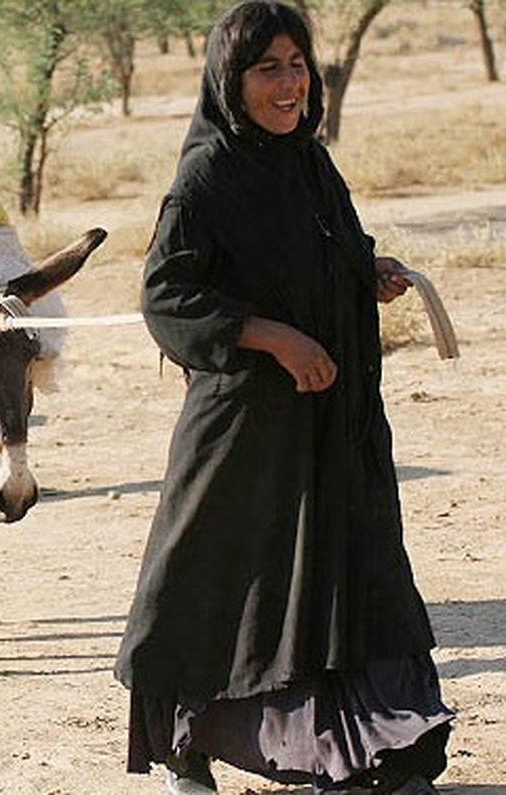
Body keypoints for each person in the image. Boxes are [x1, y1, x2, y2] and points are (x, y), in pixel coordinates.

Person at [114, 4, 453, 794]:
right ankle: (184, 748)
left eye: (297, 63)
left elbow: (329, 250)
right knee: (219, 585)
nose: (290, 82)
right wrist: (273, 337)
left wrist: (369, 275)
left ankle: (374, 746)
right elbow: (168, 297)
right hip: (244, 435)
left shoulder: (308, 162)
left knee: (354, 576)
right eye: (268, 68)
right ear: (231, 82)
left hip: (332, 431)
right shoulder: (206, 176)